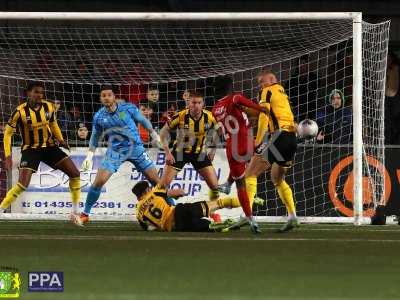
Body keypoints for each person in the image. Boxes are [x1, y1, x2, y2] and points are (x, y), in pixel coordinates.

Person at [71, 85, 163, 226]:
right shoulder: (99, 116)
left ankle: (173, 208)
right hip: (115, 151)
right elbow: (95, 137)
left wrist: (154, 135)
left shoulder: (128, 108)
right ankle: (85, 214)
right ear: (101, 98)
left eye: (109, 95)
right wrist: (89, 155)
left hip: (136, 148)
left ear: (114, 97)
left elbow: (143, 121)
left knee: (156, 181)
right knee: (99, 181)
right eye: (104, 95)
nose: (107, 98)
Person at [1, 82, 81, 216]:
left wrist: (60, 140)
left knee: (75, 174)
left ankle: (75, 210)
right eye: (36, 92)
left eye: (41, 92)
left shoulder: (49, 106)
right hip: (30, 150)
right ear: (28, 93)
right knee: (22, 185)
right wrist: (8, 156)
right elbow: (7, 134)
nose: (39, 95)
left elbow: (53, 124)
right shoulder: (19, 112)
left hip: (49, 148)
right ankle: (1, 209)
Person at [244, 70, 299, 233]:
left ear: (271, 80)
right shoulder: (282, 93)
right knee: (277, 179)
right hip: (291, 139)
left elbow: (264, 115)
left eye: (262, 81)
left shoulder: (267, 91)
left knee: (250, 174)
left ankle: (247, 215)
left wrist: (258, 139)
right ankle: (293, 216)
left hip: (278, 136)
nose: (259, 85)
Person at [212, 75, 267, 230]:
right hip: (248, 143)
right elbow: (249, 105)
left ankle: (251, 220)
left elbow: (220, 127)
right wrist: (262, 108)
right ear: (231, 87)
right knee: (260, 158)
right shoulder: (235, 97)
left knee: (240, 185)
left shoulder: (214, 109)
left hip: (232, 148)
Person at [159, 91, 221, 201]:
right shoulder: (180, 116)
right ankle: (163, 208)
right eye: (193, 103)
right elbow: (163, 132)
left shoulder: (210, 116)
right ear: (188, 103)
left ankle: (213, 212)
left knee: (215, 187)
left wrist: (213, 150)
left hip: (199, 154)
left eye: (199, 103)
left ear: (203, 104)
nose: (196, 105)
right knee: (162, 187)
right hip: (180, 153)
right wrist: (167, 153)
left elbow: (219, 131)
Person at [133, 181, 247, 232]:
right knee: (218, 204)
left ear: (138, 196)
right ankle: (247, 202)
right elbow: (178, 192)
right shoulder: (154, 192)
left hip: (176, 228)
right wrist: (181, 193)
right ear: (147, 190)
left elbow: (148, 228)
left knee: (210, 227)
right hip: (179, 212)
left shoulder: (138, 212)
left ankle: (223, 224)